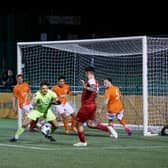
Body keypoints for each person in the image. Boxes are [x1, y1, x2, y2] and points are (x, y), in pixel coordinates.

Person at [73, 66, 118, 147]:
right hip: (92, 105)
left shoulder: (91, 80)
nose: (85, 75)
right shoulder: (95, 82)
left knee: (78, 124)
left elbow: (93, 89)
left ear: (88, 73)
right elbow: (93, 92)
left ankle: (83, 142)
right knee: (90, 124)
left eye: (85, 73)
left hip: (87, 106)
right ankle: (108, 128)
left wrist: (85, 87)